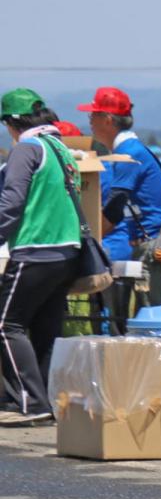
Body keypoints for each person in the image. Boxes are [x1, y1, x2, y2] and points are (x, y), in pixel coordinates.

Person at [0, 89, 82, 426]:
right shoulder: (60, 147)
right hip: (68, 251)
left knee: (6, 325)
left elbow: (11, 202)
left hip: (36, 248)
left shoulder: (26, 149)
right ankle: (46, 401)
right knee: (45, 328)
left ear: (12, 122)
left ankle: (30, 402)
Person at [77, 87, 161, 315]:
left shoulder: (128, 154)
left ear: (108, 120)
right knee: (145, 316)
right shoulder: (129, 149)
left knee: (153, 317)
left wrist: (88, 240)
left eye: (93, 115)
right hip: (145, 243)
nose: (90, 121)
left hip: (152, 245)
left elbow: (114, 207)